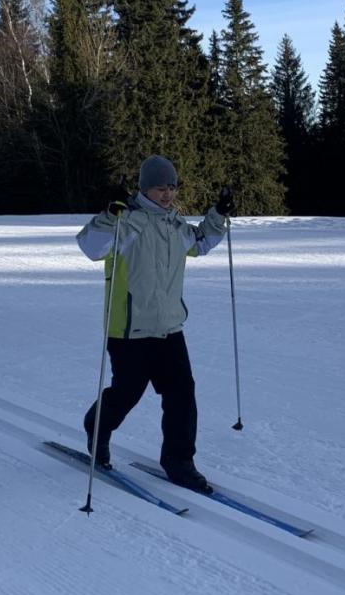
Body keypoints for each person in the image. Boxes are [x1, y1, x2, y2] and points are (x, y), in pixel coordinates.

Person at [77, 154, 235, 494]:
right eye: (160, 187)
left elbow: (202, 241)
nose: (167, 194)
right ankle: (97, 428)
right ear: (145, 188)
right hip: (129, 329)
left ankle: (179, 461)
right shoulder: (126, 222)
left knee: (182, 395)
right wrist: (109, 215)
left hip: (169, 329)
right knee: (126, 394)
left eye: (172, 187)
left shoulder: (175, 226)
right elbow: (90, 246)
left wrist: (218, 215)